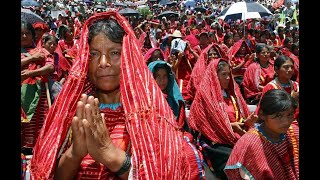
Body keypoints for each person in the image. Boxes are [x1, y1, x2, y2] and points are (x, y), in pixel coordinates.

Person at [30, 11, 204, 180]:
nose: (104, 63)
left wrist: (110, 153)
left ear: (128, 56)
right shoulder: (73, 112)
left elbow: (167, 172)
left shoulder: (152, 114)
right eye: (94, 54)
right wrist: (75, 153)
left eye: (114, 53)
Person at [188, 59, 257, 180]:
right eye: (223, 74)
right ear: (215, 76)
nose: (228, 78)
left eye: (229, 74)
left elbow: (240, 117)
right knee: (231, 158)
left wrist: (246, 123)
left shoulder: (233, 94)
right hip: (215, 139)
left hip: (237, 134)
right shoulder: (205, 95)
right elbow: (203, 123)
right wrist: (230, 126)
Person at [224, 89, 299, 179]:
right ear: (262, 115)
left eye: (290, 115)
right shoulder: (249, 144)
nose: (286, 122)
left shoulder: (294, 131)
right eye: (278, 116)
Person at [21, 20, 55, 153]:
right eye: (21, 33)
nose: (24, 36)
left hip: (38, 97)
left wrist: (32, 73)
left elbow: (50, 66)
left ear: (32, 35)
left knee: (37, 127)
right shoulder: (35, 54)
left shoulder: (41, 51)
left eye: (27, 33)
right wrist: (31, 59)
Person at [259, 55, 299, 123]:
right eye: (286, 67)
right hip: (278, 123)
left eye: (292, 67)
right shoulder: (270, 87)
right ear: (276, 69)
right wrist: (292, 99)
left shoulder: (296, 86)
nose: (290, 70)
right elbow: (267, 110)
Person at [148, 60, 186, 129]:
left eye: (164, 76)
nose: (161, 80)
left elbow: (180, 124)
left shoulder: (175, 100)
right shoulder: (146, 100)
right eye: (158, 76)